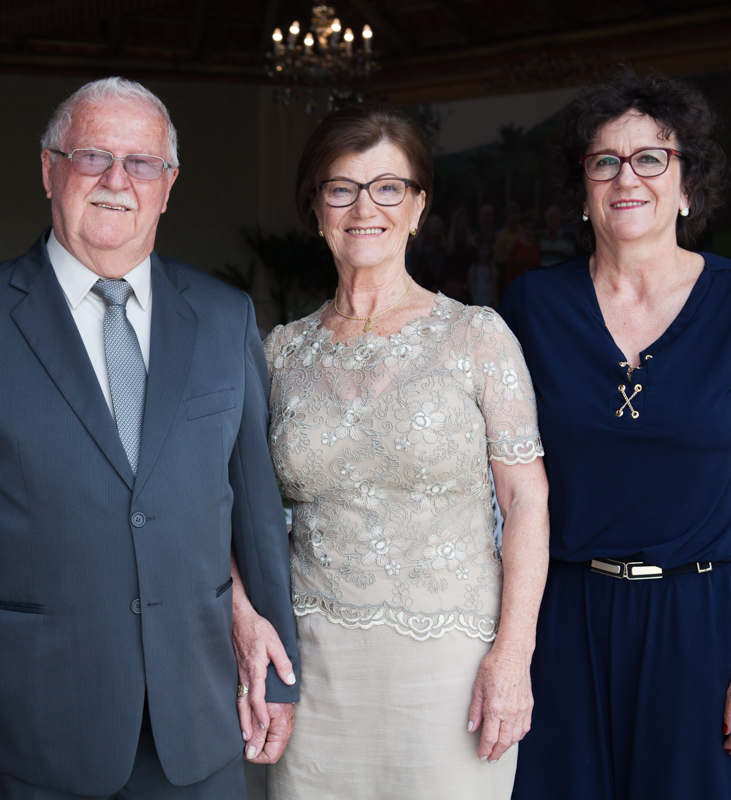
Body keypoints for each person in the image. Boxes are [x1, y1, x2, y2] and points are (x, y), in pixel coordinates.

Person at [0, 76, 300, 800]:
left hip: (199, 720)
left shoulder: (224, 317)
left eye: (142, 162)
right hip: (34, 731)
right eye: (93, 156)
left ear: (168, 185)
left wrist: (277, 674)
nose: (118, 180)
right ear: (49, 169)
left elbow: (255, 510)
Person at [498, 70, 731, 799]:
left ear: (687, 184)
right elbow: (502, 482)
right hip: (562, 613)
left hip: (700, 619)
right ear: (582, 189)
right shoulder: (533, 306)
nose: (626, 177)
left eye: (651, 157)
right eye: (604, 160)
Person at [241, 102, 550, 799]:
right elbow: (234, 503)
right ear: (316, 208)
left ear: (418, 207)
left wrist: (514, 654)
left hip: (452, 669)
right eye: (341, 188)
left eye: (388, 187)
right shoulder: (280, 353)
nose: (364, 208)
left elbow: (526, 499)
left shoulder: (477, 336)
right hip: (312, 667)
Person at [443, 206, 477, 303]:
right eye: (458, 222)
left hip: (467, 289)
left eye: (463, 222)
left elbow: (474, 267)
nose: (461, 225)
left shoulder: (471, 246)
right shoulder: (448, 247)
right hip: (451, 290)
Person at [504, 210, 541, 289]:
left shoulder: (537, 246)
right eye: (528, 227)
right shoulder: (516, 246)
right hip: (518, 286)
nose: (530, 231)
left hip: (533, 287)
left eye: (532, 228)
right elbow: (509, 270)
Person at [468, 239, 499, 307]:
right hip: (475, 303)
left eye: (486, 250)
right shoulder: (473, 269)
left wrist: (495, 303)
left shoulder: (492, 269)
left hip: (488, 304)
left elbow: (494, 289)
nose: (484, 253)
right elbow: (471, 288)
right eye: (482, 249)